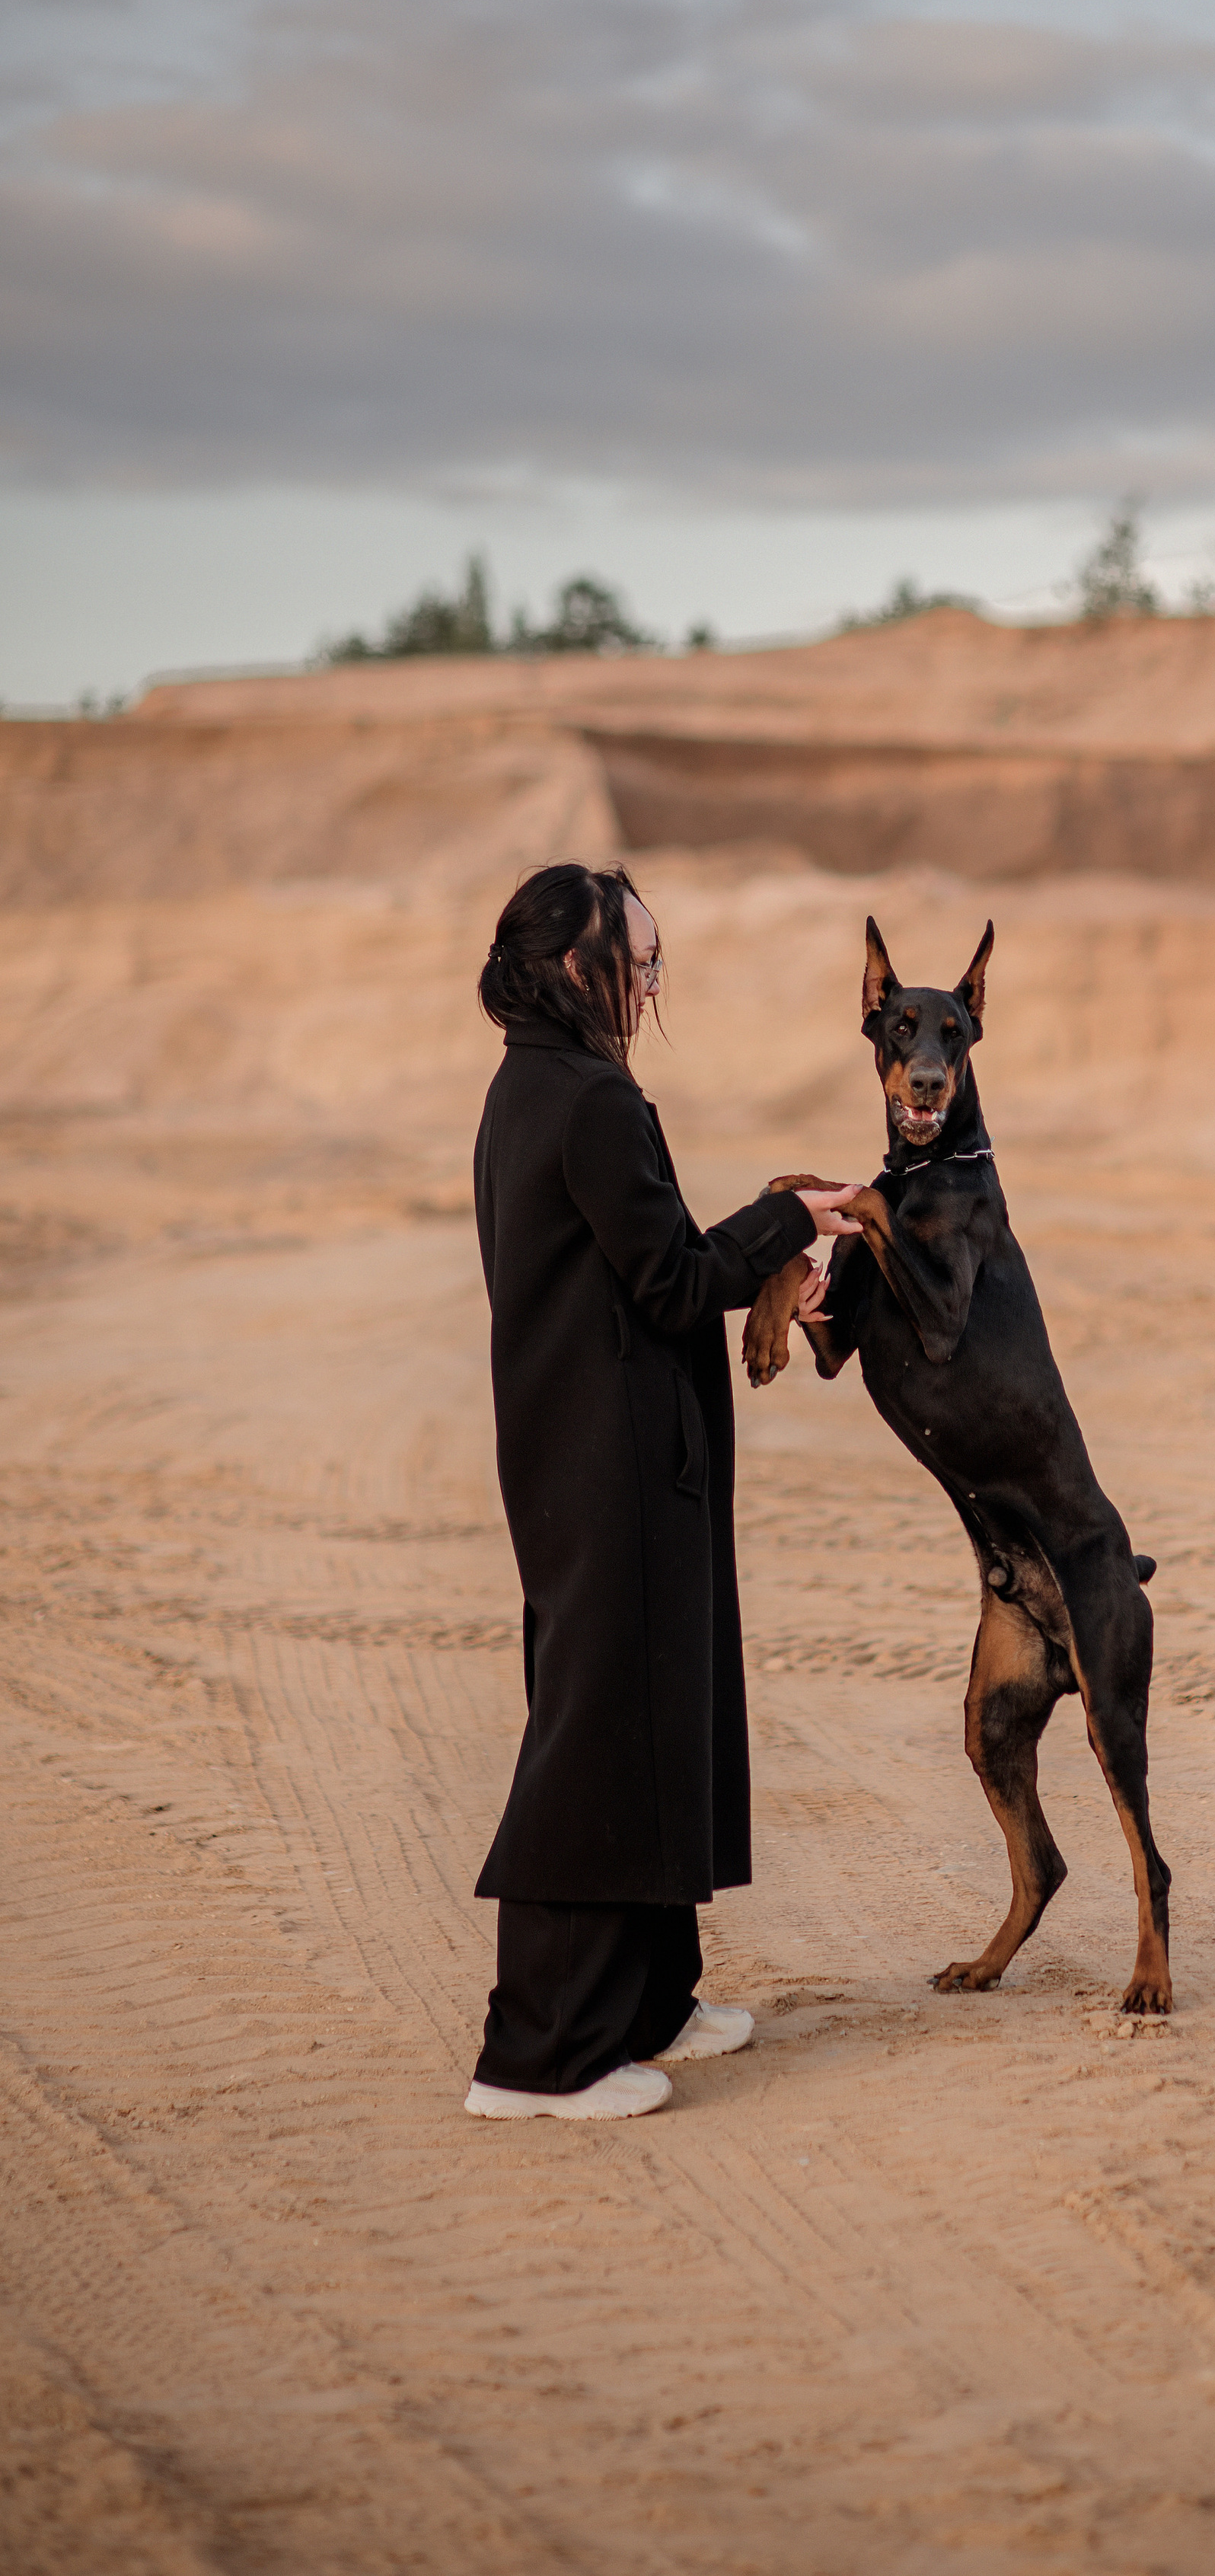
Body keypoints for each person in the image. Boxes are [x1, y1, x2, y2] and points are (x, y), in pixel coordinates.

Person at [462, 862, 857, 2121]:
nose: (647, 982)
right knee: (593, 1734)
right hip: (606, 1462)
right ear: (577, 968)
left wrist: (772, 1225)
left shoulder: (544, 1085)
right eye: (636, 960)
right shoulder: (584, 1100)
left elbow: (644, 1273)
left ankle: (649, 2001)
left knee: (650, 1712)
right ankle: (538, 2056)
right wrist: (784, 1218)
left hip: (602, 1447)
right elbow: (681, 1286)